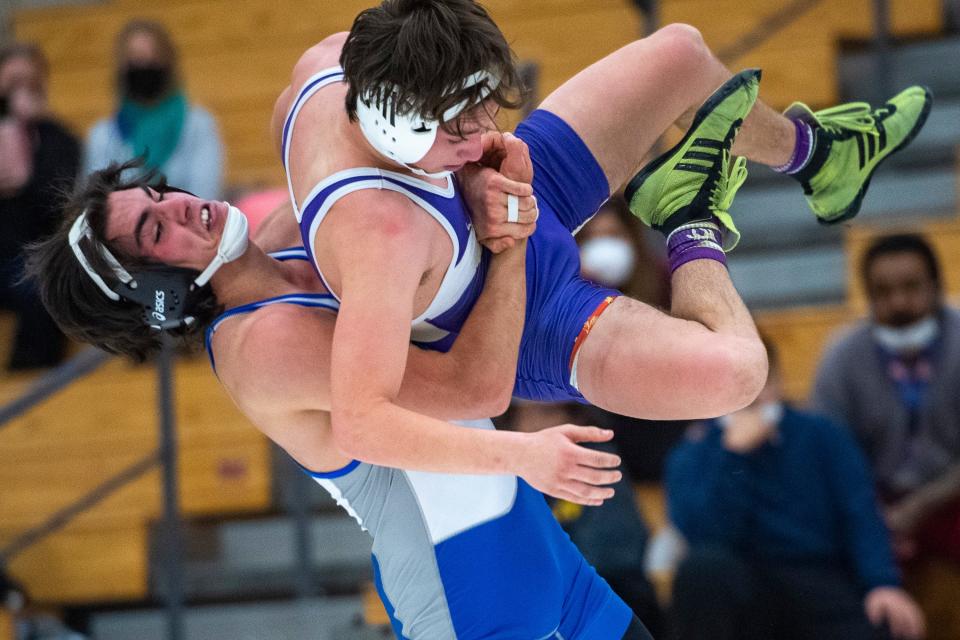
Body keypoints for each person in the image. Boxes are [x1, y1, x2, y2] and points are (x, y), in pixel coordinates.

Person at [26, 136, 655, 637]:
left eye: (158, 196)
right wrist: (511, 243)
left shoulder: (283, 243)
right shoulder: (262, 344)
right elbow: (474, 389)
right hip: (465, 591)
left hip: (527, 548)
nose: (181, 205)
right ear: (157, 294)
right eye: (157, 231)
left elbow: (340, 128)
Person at [273, 0, 930, 453]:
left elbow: (298, 172)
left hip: (521, 196)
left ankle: (822, 158)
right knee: (736, 374)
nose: (482, 132)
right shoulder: (380, 237)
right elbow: (450, 398)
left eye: (483, 112)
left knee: (681, 54)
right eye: (462, 126)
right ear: (400, 123)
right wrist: (505, 252)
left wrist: (472, 169)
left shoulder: (328, 68)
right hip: (530, 320)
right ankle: (689, 213)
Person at [666, 337, 926, 640]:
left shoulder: (823, 435)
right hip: (742, 584)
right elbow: (703, 536)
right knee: (701, 572)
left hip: (819, 579)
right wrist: (734, 455)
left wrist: (882, 583)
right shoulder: (693, 452)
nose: (750, 396)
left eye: (759, 380)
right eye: (734, 382)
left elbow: (860, 514)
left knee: (884, 621)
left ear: (777, 380)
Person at [811, 234, 960, 566]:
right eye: (883, 292)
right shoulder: (842, 357)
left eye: (911, 287)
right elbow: (829, 454)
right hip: (873, 505)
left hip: (951, 498)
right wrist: (872, 516)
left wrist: (918, 507)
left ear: (936, 286)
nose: (898, 304)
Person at [506, 400, 664, 638]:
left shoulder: (596, 461)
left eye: (545, 413)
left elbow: (614, 549)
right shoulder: (508, 478)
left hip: (607, 589)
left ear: (576, 418)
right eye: (522, 416)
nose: (531, 425)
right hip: (546, 597)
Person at [0, 42, 80, 369]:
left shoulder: (59, 140)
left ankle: (27, 390)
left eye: (28, 82)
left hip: (29, 260)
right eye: (12, 81)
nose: (20, 92)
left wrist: (26, 158)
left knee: (44, 290)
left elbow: (55, 204)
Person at [84, 19, 223, 200]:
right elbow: (95, 203)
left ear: (167, 64)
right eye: (135, 59)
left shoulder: (198, 125)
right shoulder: (102, 135)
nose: (144, 66)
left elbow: (206, 195)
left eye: (152, 58)